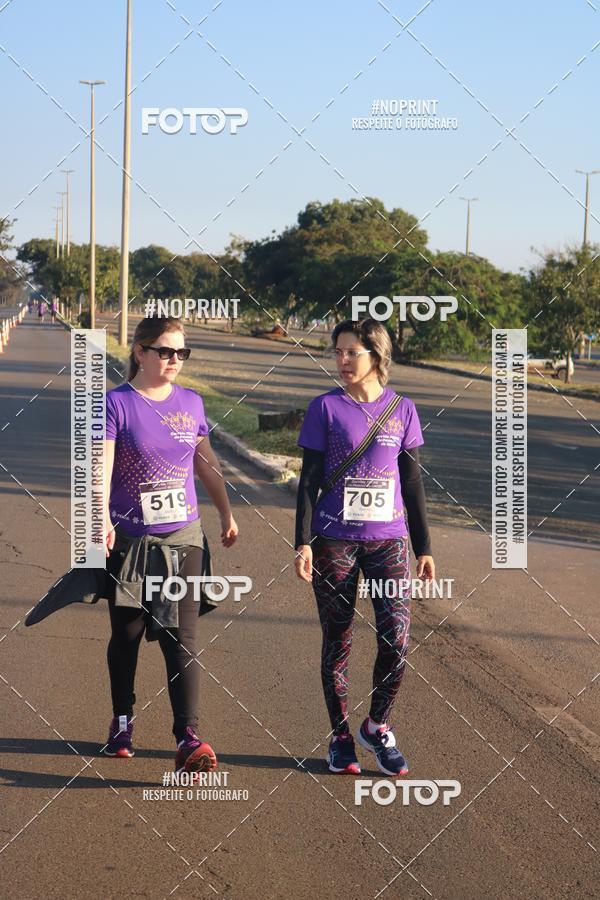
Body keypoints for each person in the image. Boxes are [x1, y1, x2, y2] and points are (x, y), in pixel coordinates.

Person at [294, 318, 435, 776]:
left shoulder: (403, 409)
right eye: (337, 352)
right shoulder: (325, 408)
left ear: (376, 354)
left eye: (350, 352)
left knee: (396, 639)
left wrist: (424, 547)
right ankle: (339, 736)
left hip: (388, 542)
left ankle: (376, 726)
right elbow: (308, 481)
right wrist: (302, 542)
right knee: (339, 639)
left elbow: (411, 481)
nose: (341, 360)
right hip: (334, 541)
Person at [103, 315, 238, 773]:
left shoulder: (191, 403)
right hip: (132, 540)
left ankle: (188, 737)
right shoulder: (116, 403)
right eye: (165, 351)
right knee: (128, 634)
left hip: (184, 537)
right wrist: (99, 517)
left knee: (182, 638)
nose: (174, 360)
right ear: (140, 351)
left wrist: (225, 512)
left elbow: (206, 462)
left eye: (182, 353)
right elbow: (100, 466)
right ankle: (122, 720)